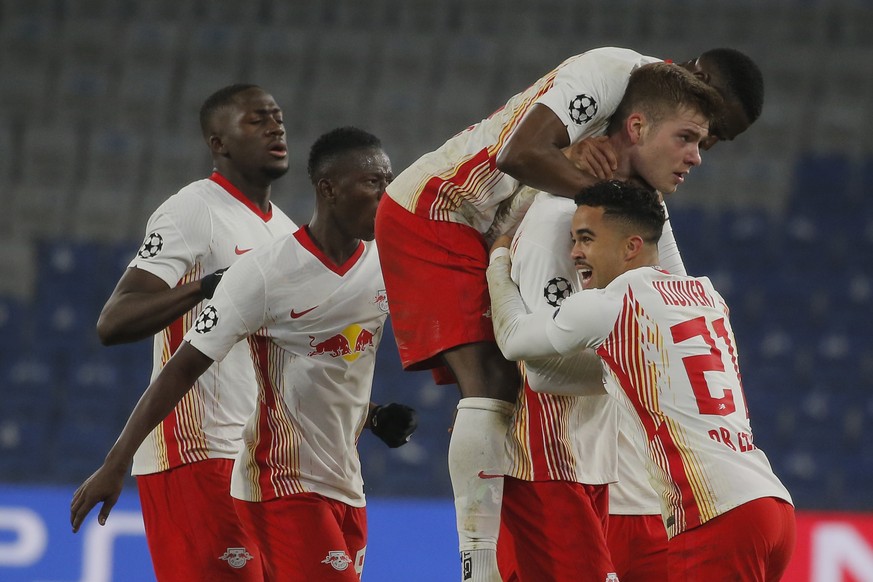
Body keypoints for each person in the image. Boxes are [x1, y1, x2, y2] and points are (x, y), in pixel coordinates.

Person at [374, 43, 761, 580]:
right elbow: (520, 153)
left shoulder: (634, 176)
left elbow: (670, 283)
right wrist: (605, 198)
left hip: (495, 225)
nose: (707, 144)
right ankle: (475, 563)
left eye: (717, 136)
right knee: (492, 382)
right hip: (440, 208)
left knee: (509, 387)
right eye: (700, 129)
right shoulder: (608, 73)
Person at [71, 127, 418, 580]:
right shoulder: (263, 271)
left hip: (346, 483)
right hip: (280, 479)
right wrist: (115, 464)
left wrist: (374, 416)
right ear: (329, 189)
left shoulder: (382, 263)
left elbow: (319, 359)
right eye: (375, 182)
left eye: (390, 181)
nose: (386, 195)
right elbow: (181, 369)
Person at [498, 51, 764, 582]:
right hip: (552, 462)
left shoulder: (641, 229)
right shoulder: (559, 219)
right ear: (638, 127)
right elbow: (543, 368)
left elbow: (662, 310)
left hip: (609, 471)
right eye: (690, 136)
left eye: (709, 139)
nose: (701, 153)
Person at [487, 180, 796, 581]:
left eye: (586, 238)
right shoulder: (707, 295)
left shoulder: (610, 304)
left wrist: (497, 260)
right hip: (771, 505)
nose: (574, 252)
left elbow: (514, 340)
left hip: (714, 514)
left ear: (630, 246)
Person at [88, 83, 296, 580]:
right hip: (194, 451)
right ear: (218, 143)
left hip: (259, 460)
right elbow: (113, 321)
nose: (275, 126)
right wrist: (205, 287)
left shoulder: (286, 232)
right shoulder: (192, 211)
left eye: (278, 117)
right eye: (256, 119)